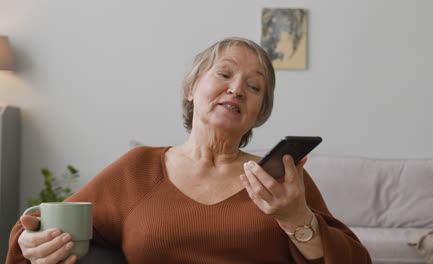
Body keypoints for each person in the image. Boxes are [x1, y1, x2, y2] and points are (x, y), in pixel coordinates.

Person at [7, 37, 371, 264]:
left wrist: (296, 219)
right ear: (192, 87)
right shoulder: (139, 168)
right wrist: (30, 240)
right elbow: (43, 225)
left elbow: (353, 259)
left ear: (260, 110)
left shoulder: (281, 180)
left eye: (254, 86)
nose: (237, 89)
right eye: (224, 74)